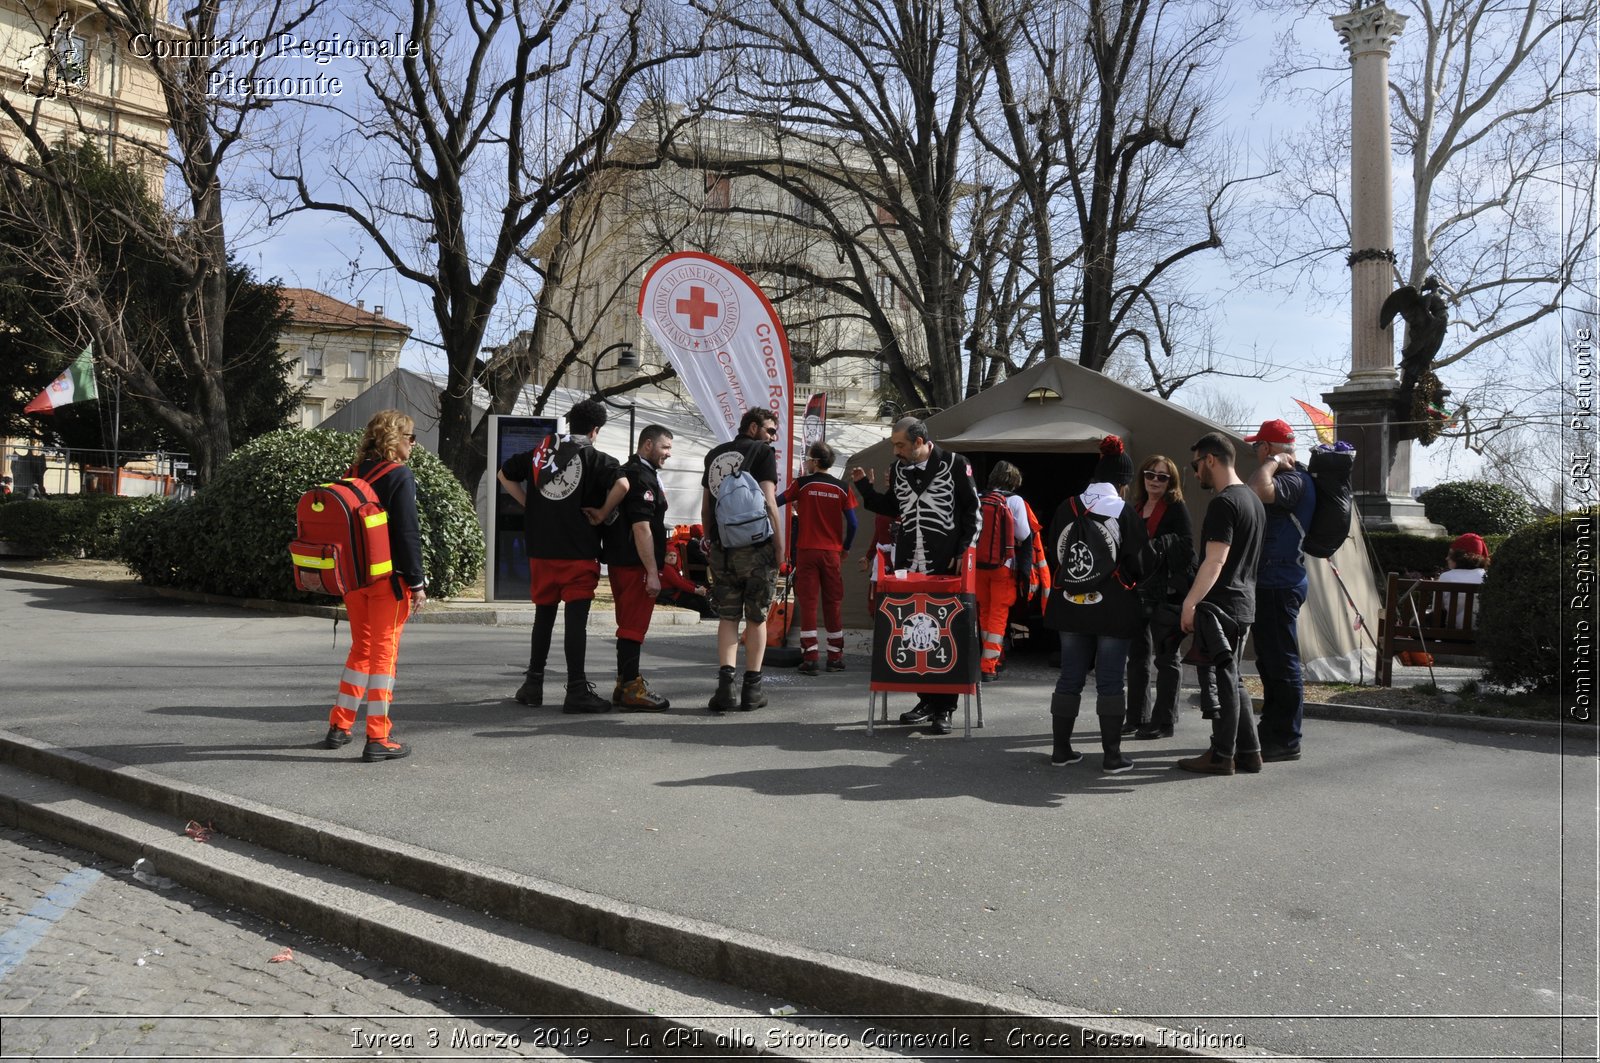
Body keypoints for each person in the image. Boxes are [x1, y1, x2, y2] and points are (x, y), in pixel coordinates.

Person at [850, 416, 980, 736]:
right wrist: (865, 487)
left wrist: (964, 551)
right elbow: (893, 507)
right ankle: (926, 699)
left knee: (945, 630)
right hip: (908, 562)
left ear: (919, 442)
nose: (896, 451)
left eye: (900, 445)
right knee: (916, 629)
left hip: (945, 562)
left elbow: (972, 510)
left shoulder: (955, 463)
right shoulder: (898, 471)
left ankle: (945, 707)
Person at [497, 399, 629, 713]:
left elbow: (504, 474)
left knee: (543, 617)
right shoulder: (598, 459)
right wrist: (601, 512)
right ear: (595, 430)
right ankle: (577, 689)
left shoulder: (540, 456)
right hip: (578, 552)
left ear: (570, 424)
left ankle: (533, 684)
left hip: (541, 550)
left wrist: (529, 503)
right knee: (575, 623)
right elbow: (623, 485)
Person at [321, 410, 428, 762]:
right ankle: (379, 737)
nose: (414, 444)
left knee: (361, 651)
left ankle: (339, 726)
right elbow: (407, 533)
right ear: (394, 440)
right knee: (385, 655)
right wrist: (417, 582)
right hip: (388, 581)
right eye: (410, 437)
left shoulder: (353, 474)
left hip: (354, 580)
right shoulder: (399, 475)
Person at [1041, 435, 1146, 773]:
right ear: (1123, 481)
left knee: (1070, 676)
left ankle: (1060, 750)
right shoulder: (1123, 512)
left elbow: (1054, 549)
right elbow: (1138, 562)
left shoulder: (1066, 505)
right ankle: (1112, 756)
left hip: (1070, 603)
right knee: (1111, 680)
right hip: (1113, 606)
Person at [1177, 432, 1266, 776]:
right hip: (1245, 604)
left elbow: (1215, 561)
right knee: (1236, 679)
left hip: (1221, 606)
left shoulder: (1224, 503)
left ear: (1210, 460)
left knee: (1225, 679)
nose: (1196, 472)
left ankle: (1222, 755)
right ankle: (1250, 751)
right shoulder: (1254, 501)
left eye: (1196, 465)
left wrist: (1190, 602)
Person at [701, 407, 785, 712]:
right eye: (770, 430)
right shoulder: (763, 453)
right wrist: (779, 542)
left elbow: (707, 505)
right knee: (756, 616)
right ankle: (752, 690)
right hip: (757, 548)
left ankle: (725, 689)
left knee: (728, 616)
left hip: (723, 548)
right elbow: (769, 499)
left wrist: (711, 541)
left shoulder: (715, 454)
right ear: (752, 428)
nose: (773, 437)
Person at [1244, 418, 1315, 763]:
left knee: (1282, 663)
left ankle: (1286, 739)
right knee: (1271, 662)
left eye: (1258, 446)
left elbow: (1256, 490)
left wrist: (1273, 462)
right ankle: (1272, 730)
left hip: (1279, 583)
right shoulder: (1291, 478)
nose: (1255, 451)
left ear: (1269, 447)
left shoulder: (1292, 478)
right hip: (1273, 581)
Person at [602, 425, 679, 711]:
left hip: (624, 561)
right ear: (648, 445)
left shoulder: (632, 471)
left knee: (628, 626)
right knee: (633, 627)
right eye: (665, 447)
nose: (668, 454)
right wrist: (651, 571)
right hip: (635, 564)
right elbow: (641, 528)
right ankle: (632, 687)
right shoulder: (640, 475)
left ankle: (625, 684)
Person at [1126, 455, 1195, 739]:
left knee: (1166, 659)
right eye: (1150, 474)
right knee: (1137, 657)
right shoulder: (1136, 507)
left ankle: (1164, 721)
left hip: (1166, 592)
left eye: (1162, 477)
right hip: (1137, 589)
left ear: (1171, 481)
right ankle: (1137, 717)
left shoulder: (1176, 507)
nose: (1155, 480)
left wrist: (1159, 546)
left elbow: (1188, 548)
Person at [778, 440, 857, 675]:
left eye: (808, 458)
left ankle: (810, 657)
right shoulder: (842, 488)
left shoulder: (801, 485)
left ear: (814, 461)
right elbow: (853, 523)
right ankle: (835, 657)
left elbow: (778, 501)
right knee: (833, 603)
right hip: (832, 553)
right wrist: (846, 547)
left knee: (809, 603)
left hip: (806, 551)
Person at [974, 461, 1045, 683]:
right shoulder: (1015, 501)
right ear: (1014, 481)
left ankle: (991, 656)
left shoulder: (977, 497)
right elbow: (1024, 534)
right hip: (1004, 567)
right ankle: (989, 665)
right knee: (998, 613)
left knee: (984, 610)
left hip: (978, 565)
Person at [1436, 532, 1490, 627]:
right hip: (1480, 635)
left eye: (1450, 554)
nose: (1446, 558)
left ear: (1459, 556)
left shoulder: (1446, 577)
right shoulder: (1488, 577)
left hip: (1451, 634)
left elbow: (1438, 608)